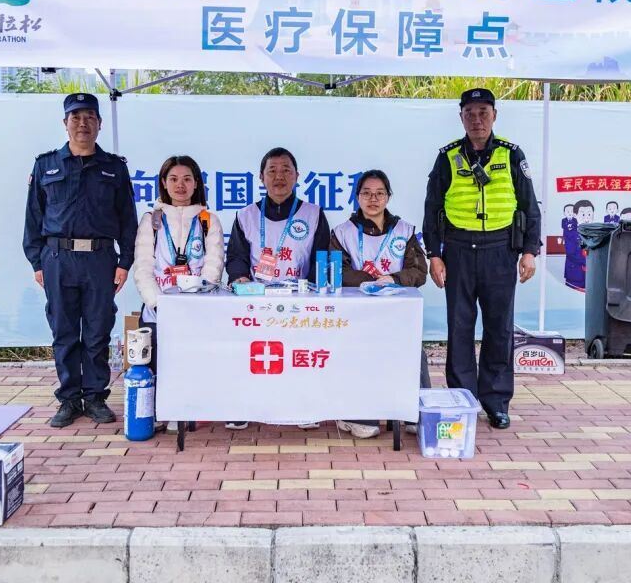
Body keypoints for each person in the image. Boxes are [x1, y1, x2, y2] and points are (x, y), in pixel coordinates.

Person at [423, 88, 541, 430]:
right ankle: (463, 399)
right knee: (459, 327)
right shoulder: (447, 157)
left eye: (483, 113)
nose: (477, 120)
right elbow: (432, 209)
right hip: (458, 251)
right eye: (470, 113)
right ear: (461, 117)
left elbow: (529, 206)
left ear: (494, 115)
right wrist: (434, 255)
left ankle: (496, 402)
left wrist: (529, 251)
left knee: (499, 329)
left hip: (500, 251)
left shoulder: (511, 154)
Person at [24, 93, 136, 428]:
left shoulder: (114, 168)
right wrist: (37, 262)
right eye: (75, 117)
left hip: (101, 259)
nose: (82, 124)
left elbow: (127, 220)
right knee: (64, 331)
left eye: (89, 117)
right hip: (57, 259)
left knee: (98, 330)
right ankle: (70, 399)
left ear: (99, 124)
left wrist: (125, 262)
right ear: (65, 123)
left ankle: (96, 397)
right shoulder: (46, 165)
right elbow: (33, 217)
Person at [225, 147, 331, 430]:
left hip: (300, 300)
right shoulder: (246, 215)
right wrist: (239, 278)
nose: (279, 177)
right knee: (253, 354)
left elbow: (321, 256)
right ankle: (244, 407)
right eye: (272, 171)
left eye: (286, 170)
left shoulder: (313, 214)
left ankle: (305, 408)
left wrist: (312, 289)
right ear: (261, 177)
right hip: (256, 300)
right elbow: (236, 257)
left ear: (297, 176)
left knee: (300, 355)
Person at [329, 169, 430, 439]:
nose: (373, 199)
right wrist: (370, 281)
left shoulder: (404, 231)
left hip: (396, 310)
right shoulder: (342, 232)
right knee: (358, 352)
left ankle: (415, 412)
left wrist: (393, 279)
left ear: (388, 197)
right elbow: (337, 272)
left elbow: (419, 272)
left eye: (379, 193)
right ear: (357, 197)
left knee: (412, 351)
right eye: (366, 193)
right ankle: (360, 414)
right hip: (357, 312)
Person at [133, 155, 224, 431]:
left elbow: (214, 264)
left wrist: (196, 302)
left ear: (196, 184)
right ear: (163, 183)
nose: (180, 185)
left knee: (192, 361)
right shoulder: (152, 220)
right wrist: (157, 303)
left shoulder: (208, 220)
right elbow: (143, 266)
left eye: (186, 179)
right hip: (158, 310)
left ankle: (190, 409)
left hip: (196, 309)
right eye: (173, 179)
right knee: (159, 361)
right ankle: (159, 411)